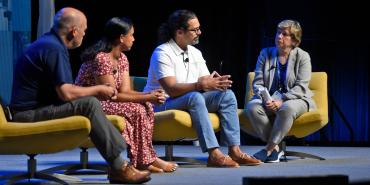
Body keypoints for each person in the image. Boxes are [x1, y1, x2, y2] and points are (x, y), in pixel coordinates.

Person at [9, 7, 151, 184]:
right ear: (73, 31)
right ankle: (119, 167)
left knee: (89, 103)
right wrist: (99, 90)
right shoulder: (53, 48)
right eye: (83, 31)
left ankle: (121, 163)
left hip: (36, 109)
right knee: (90, 103)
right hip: (27, 115)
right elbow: (67, 92)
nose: (84, 35)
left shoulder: (49, 44)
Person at [143, 9, 261, 168]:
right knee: (195, 97)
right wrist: (200, 85)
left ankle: (235, 150)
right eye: (194, 29)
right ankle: (214, 154)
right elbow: (171, 89)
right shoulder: (162, 52)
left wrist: (215, 84)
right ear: (179, 32)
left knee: (227, 96)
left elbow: (205, 83)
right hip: (161, 103)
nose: (199, 32)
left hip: (188, 99)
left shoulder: (195, 53)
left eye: (198, 28)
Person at [75, 17, 178, 173]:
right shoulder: (102, 58)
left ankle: (145, 158)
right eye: (132, 35)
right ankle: (144, 160)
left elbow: (125, 91)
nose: (134, 39)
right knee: (137, 109)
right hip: (89, 103)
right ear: (121, 37)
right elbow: (111, 96)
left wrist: (150, 95)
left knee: (146, 106)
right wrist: (148, 96)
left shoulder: (122, 58)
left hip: (107, 101)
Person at [245, 19, 316, 163]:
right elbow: (257, 83)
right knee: (252, 107)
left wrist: (282, 99)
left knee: (287, 108)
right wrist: (266, 99)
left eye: (285, 34)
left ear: (294, 40)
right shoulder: (265, 53)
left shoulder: (303, 57)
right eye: (278, 32)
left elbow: (301, 87)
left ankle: (268, 149)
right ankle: (277, 148)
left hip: (296, 99)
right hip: (269, 99)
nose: (279, 37)